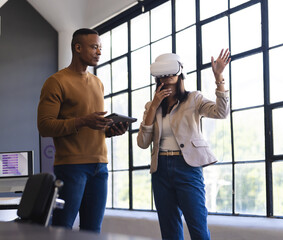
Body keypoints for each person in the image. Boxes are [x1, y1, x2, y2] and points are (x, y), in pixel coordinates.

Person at [37, 28, 128, 233]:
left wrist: (110, 130)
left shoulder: (98, 83)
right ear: (77, 48)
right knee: (62, 229)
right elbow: (44, 126)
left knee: (92, 231)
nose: (99, 52)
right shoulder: (56, 82)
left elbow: (90, 128)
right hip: (72, 167)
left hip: (100, 167)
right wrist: (82, 121)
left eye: (100, 48)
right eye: (94, 47)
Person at [137, 49, 231, 239]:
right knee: (170, 231)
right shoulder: (151, 106)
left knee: (198, 228)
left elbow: (221, 112)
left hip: (187, 167)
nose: (167, 77)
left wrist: (219, 77)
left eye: (171, 72)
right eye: (163, 74)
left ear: (180, 72)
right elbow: (142, 142)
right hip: (160, 169)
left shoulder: (193, 99)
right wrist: (154, 106)